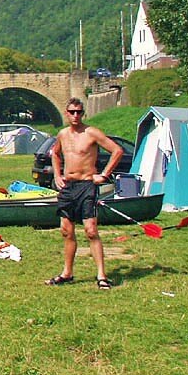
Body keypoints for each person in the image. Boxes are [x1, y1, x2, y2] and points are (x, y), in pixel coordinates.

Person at [45, 97, 122, 290]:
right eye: (72, 112)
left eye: (79, 112)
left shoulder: (91, 133)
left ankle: (102, 276)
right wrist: (57, 175)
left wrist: (104, 175)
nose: (75, 115)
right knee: (67, 231)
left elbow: (117, 151)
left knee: (91, 230)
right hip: (68, 187)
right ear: (67, 113)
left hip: (86, 185)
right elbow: (54, 153)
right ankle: (67, 273)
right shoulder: (62, 134)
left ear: (83, 113)